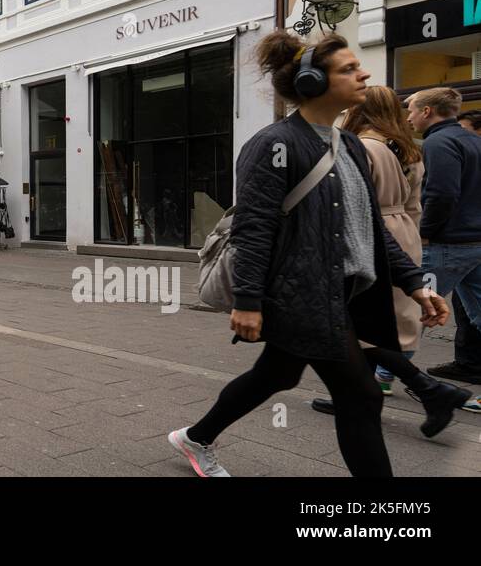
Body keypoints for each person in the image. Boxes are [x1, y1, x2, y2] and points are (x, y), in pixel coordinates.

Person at [168, 32, 449, 478]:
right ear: (313, 82)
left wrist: (414, 284)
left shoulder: (351, 144)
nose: (365, 74)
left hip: (343, 293)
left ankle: (195, 437)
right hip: (300, 294)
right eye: (349, 69)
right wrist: (247, 301)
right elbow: (254, 228)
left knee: (276, 375)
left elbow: (372, 231)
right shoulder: (274, 144)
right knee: (361, 396)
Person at [308, 86, 471, 434]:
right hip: (403, 232)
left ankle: (429, 391)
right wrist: (414, 237)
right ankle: (367, 395)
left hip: (369, 233)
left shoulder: (360, 146)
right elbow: (416, 204)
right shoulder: (410, 149)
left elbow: (347, 202)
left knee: (351, 321)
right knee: (375, 322)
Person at [407, 87, 481, 384]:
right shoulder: (473, 142)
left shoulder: (438, 142)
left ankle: (375, 381)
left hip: (446, 245)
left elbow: (441, 194)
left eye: (412, 109)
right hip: (475, 242)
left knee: (413, 313)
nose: (409, 117)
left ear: (427, 111)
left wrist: (424, 233)